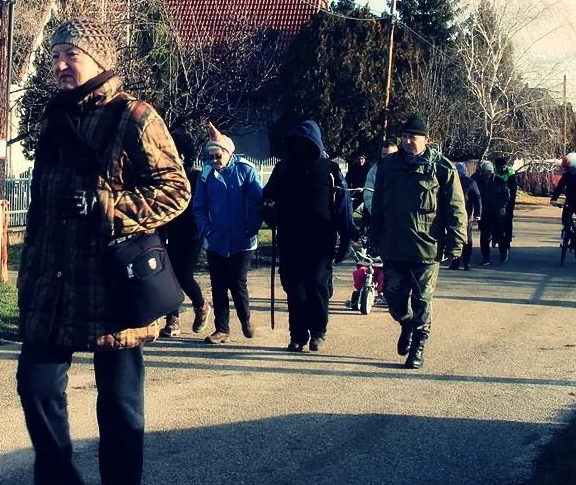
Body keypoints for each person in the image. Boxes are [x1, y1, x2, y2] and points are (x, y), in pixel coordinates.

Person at [5, 19, 189, 485]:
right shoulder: (52, 116)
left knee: (118, 402)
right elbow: (41, 200)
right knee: (36, 386)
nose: (60, 65)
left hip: (114, 283)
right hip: (54, 281)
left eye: (72, 55)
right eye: (56, 55)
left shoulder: (136, 116)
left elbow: (176, 190)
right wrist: (29, 268)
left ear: (100, 59)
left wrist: (109, 207)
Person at [365, 116, 464, 370]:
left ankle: (418, 344)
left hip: (426, 248)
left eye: (414, 137)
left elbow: (455, 208)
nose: (408, 141)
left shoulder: (442, 169)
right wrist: (373, 238)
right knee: (393, 298)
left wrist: (456, 243)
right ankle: (406, 323)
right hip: (394, 246)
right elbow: (378, 206)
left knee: (422, 300)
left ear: (426, 140)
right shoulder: (388, 166)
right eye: (405, 136)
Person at [263, 120, 355, 353]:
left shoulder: (330, 170)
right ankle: (297, 335)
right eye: (298, 142)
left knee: (317, 286)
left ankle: (318, 331)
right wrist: (269, 213)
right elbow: (266, 197)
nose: (302, 147)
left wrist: (346, 238)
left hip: (320, 241)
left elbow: (343, 207)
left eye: (307, 142)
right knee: (294, 289)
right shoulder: (282, 169)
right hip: (290, 239)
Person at [193, 126, 263, 344]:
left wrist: (250, 227)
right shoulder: (206, 174)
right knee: (218, 285)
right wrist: (207, 230)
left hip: (243, 241)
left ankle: (246, 320)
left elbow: (257, 203)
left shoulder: (245, 170)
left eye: (218, 155)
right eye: (210, 156)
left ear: (228, 153)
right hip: (216, 239)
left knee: (237, 282)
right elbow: (199, 206)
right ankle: (221, 329)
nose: (214, 160)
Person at [158, 130, 209, 338]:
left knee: (183, 275)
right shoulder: (162, 177)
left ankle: (201, 305)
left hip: (190, 233)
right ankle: (173, 318)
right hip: (165, 231)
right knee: (167, 275)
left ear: (184, 154)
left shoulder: (195, 177)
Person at [475, 160, 512, 266]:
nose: (481, 174)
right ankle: (485, 257)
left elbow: (506, 196)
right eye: (481, 172)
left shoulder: (499, 181)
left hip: (498, 214)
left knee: (500, 235)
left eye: (483, 172)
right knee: (484, 236)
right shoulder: (478, 181)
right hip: (484, 213)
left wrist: (501, 207)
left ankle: (503, 252)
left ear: (489, 172)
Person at [449, 162, 481, 272]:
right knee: (455, 238)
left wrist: (477, 214)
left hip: (466, 215)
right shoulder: (450, 182)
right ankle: (455, 262)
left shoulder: (470, 183)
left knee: (466, 240)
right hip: (453, 214)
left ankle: (466, 263)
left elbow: (477, 199)